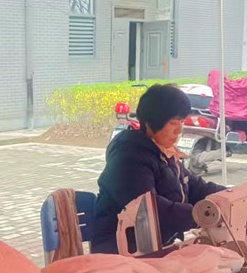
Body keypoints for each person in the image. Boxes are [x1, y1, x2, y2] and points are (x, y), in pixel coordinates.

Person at [92, 83, 225, 253]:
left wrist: (230, 196)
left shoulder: (164, 152)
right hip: (122, 249)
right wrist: (202, 215)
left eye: (182, 122)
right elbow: (150, 209)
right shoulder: (128, 156)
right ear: (150, 123)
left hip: (158, 244)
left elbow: (194, 186)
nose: (179, 130)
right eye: (173, 123)